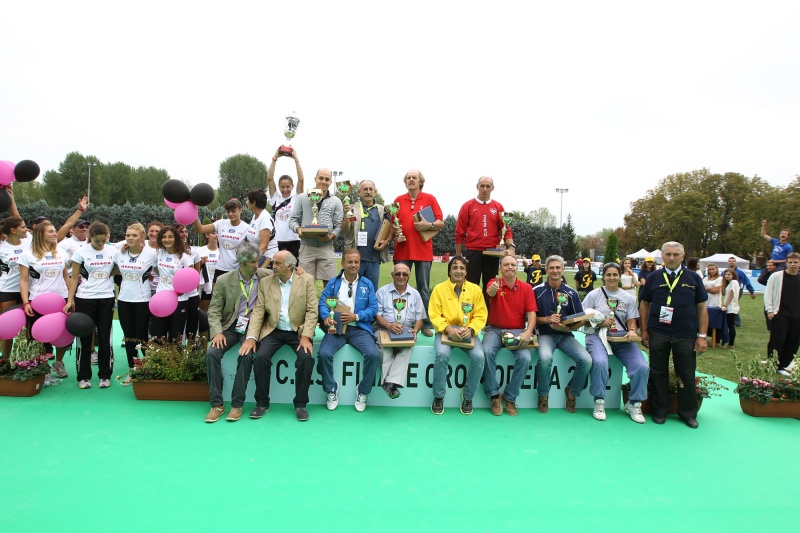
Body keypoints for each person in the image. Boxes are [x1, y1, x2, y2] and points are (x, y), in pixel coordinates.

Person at [237, 250, 318, 422]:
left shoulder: (306, 280)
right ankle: (262, 403)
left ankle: (301, 405)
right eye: (273, 262)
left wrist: (306, 336)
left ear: (290, 266)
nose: (273, 266)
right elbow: (258, 311)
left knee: (306, 358)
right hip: (273, 330)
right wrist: (251, 337)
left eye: (277, 263)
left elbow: (312, 311)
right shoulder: (266, 282)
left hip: (297, 331)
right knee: (260, 358)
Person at [639, 241, 708, 428]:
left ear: (683, 256)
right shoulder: (653, 277)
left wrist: (702, 336)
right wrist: (643, 330)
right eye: (668, 254)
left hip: (685, 334)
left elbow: (702, 308)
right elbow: (644, 304)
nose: (671, 258)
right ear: (662, 256)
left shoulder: (694, 278)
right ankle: (660, 410)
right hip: (658, 332)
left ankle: (688, 413)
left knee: (686, 373)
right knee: (658, 371)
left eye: (676, 254)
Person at [203, 243, 270, 423]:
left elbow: (286, 272)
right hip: (231, 326)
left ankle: (237, 404)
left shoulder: (265, 275)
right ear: (241, 262)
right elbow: (214, 310)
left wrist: (299, 270)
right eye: (252, 262)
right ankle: (216, 404)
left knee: (246, 355)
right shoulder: (224, 280)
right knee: (211, 353)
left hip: (253, 327)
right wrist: (217, 332)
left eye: (257, 261)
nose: (256, 265)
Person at [581, 262, 648, 423]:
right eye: (608, 275)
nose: (612, 278)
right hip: (597, 335)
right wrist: (599, 322)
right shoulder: (594, 295)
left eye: (615, 275)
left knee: (641, 366)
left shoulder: (628, 298)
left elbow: (631, 320)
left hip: (621, 337)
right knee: (600, 362)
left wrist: (632, 330)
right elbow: (582, 319)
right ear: (603, 276)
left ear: (620, 276)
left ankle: (634, 403)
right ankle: (599, 401)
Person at [317, 249, 380, 412]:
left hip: (359, 329)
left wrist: (356, 316)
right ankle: (331, 389)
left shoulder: (367, 284)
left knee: (373, 355)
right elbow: (323, 302)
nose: (353, 265)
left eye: (356, 262)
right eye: (350, 262)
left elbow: (373, 308)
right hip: (336, 328)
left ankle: (363, 391)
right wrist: (326, 316)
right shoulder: (333, 283)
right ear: (343, 263)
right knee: (323, 354)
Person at [533, 255, 592, 414]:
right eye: (551, 268)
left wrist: (567, 328)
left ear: (563, 270)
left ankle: (572, 391)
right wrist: (547, 319)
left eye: (558, 267)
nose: (555, 270)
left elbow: (580, 319)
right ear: (546, 270)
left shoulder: (571, 293)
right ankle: (543, 395)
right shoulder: (537, 291)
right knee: (545, 358)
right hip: (544, 334)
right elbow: (529, 318)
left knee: (586, 360)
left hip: (565, 336)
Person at [428, 255, 487, 415]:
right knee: (441, 355)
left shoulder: (475, 289)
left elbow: (481, 315)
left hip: (468, 331)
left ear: (466, 271)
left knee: (479, 357)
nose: (458, 271)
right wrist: (448, 328)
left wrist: (472, 329)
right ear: (449, 271)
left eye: (462, 268)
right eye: (455, 268)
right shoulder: (439, 289)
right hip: (445, 331)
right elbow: (434, 314)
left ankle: (468, 396)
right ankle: (438, 396)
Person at [64, 222, 117, 389]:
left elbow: (118, 268)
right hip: (85, 298)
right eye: (96, 241)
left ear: (107, 237)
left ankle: (105, 376)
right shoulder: (81, 252)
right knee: (84, 339)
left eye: (103, 240)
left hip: (106, 298)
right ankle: (84, 376)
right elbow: (74, 277)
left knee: (105, 337)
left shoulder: (114, 251)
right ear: (90, 238)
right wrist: (70, 300)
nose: (100, 244)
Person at [482, 255, 537, 416]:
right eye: (506, 264)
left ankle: (510, 396)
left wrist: (528, 332)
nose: (510, 267)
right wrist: (493, 289)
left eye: (513, 264)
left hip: (518, 330)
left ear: (517, 267)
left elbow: (531, 313)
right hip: (494, 329)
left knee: (525, 358)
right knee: (486, 351)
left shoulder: (526, 288)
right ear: (501, 268)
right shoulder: (494, 282)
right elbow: (490, 292)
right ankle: (494, 395)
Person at [18, 222, 71, 381]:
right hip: (38, 301)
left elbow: (66, 277)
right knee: (39, 335)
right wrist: (26, 302)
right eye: (50, 231)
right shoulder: (27, 255)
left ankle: (58, 363)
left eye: (54, 231)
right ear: (40, 234)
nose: (55, 234)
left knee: (63, 333)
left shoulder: (62, 253)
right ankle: (43, 366)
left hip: (61, 300)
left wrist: (71, 298)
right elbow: (24, 280)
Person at [454, 177, 516, 305]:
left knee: (491, 286)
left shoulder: (498, 206)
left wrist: (511, 247)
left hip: (492, 253)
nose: (484, 189)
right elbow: (459, 232)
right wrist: (458, 255)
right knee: (471, 285)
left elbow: (506, 229)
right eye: (482, 186)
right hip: (472, 251)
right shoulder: (467, 206)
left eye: (488, 186)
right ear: (477, 187)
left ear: (492, 188)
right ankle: (469, 313)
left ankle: (489, 314)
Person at [113, 222, 156, 385]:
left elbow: (162, 270)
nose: (130, 238)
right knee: (129, 337)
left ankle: (151, 368)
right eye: (128, 235)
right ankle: (133, 370)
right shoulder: (119, 253)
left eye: (134, 235)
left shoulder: (151, 254)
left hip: (143, 301)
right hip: (124, 301)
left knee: (142, 336)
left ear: (142, 237)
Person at [373, 262, 425, 399]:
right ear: (392, 275)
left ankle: (388, 383)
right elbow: (377, 316)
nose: (401, 276)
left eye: (404, 274)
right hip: (383, 329)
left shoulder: (415, 294)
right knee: (385, 349)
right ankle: (391, 384)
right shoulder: (382, 292)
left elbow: (420, 318)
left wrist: (415, 330)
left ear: (408, 276)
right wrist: (389, 325)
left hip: (406, 330)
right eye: (398, 273)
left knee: (407, 348)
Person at [288, 168, 343, 286]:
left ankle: (327, 300)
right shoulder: (302, 197)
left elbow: (339, 225)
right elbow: (293, 220)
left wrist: (331, 237)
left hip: (326, 247)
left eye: (327, 179)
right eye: (321, 178)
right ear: (315, 179)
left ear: (331, 182)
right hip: (306, 247)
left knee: (330, 285)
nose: (323, 181)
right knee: (304, 284)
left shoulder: (336, 201)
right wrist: (298, 230)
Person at [341, 180, 390, 290]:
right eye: (365, 189)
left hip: (374, 260)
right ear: (359, 192)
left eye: (370, 189)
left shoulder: (382, 210)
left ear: (375, 192)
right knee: (352, 290)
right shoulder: (352, 208)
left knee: (372, 291)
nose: (368, 192)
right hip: (355, 260)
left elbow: (389, 228)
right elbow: (345, 230)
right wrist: (346, 217)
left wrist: (386, 241)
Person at [192, 198, 255, 283]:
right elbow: (200, 230)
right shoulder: (221, 223)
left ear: (240, 210)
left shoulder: (247, 228)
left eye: (233, 211)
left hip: (236, 270)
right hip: (220, 268)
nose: (230, 214)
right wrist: (194, 213)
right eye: (228, 212)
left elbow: (252, 251)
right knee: (216, 292)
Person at [150, 225, 195, 340]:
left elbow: (192, 276)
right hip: (161, 299)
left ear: (176, 238)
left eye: (170, 237)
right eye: (164, 237)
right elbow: (155, 267)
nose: (167, 240)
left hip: (179, 301)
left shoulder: (184, 256)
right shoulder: (159, 253)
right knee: (157, 335)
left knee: (175, 337)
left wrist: (182, 289)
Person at [0, 217, 31, 361]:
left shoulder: (29, 242)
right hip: (7, 291)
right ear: (13, 230)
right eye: (23, 227)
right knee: (8, 328)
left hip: (28, 290)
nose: (26, 229)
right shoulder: (2, 247)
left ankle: (28, 361)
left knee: (28, 328)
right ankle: (6, 360)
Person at [764, 253, 800, 376]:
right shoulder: (777, 276)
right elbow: (768, 293)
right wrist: (770, 310)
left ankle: (782, 365)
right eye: (790, 262)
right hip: (780, 314)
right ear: (786, 263)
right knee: (777, 341)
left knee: (793, 342)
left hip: (797, 316)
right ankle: (772, 364)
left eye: (795, 262)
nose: (793, 264)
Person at [267, 146, 304, 260]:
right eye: (282, 187)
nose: (285, 189)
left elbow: (301, 179)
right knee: (277, 267)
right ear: (278, 187)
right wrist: (275, 157)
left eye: (288, 186)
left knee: (293, 268)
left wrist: (296, 159)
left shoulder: (297, 198)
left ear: (292, 186)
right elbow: (270, 178)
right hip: (277, 240)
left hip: (294, 240)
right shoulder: (275, 198)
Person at [245, 189, 278, 266]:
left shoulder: (265, 220)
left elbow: (263, 247)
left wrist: (251, 261)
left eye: (248, 200)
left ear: (254, 203)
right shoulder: (255, 216)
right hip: (257, 255)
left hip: (267, 258)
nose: (246, 202)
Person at [758, 259, 778, 357]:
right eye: (767, 265)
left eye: (770, 265)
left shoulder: (778, 274)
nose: (768, 267)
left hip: (777, 297)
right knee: (766, 311)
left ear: (775, 266)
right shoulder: (769, 274)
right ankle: (769, 328)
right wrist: (767, 270)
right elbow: (760, 279)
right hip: (770, 294)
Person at [197, 231, 218, 312]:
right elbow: (194, 269)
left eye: (217, 233)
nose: (216, 235)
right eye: (213, 233)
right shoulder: (199, 250)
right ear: (207, 235)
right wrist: (200, 263)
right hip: (205, 287)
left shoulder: (222, 252)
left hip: (218, 286)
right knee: (205, 313)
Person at [720, 268, 740, 348]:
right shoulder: (729, 283)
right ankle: (728, 342)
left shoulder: (733, 282)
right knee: (729, 326)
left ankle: (731, 344)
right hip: (730, 307)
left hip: (731, 308)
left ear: (733, 275)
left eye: (729, 274)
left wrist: (725, 305)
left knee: (731, 326)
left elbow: (731, 295)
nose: (727, 276)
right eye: (726, 274)